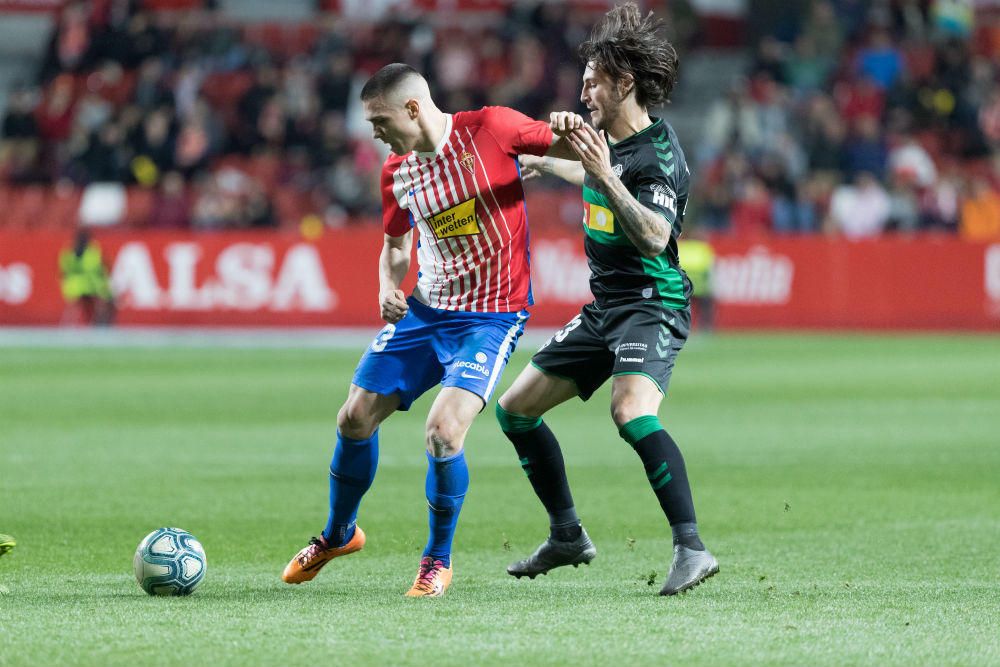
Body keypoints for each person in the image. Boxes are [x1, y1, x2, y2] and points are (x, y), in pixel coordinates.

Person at [281, 63, 583, 597]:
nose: (374, 132)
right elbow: (396, 247)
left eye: (379, 120)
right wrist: (386, 287)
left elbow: (571, 146)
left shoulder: (491, 127)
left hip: (490, 317)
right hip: (426, 311)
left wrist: (565, 127)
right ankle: (337, 535)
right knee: (353, 418)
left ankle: (436, 561)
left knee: (444, 433)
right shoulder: (396, 172)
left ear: (414, 109)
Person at [498, 3, 718, 596]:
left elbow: (653, 236)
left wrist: (603, 171)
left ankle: (691, 548)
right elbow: (595, 171)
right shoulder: (609, 144)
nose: (584, 90)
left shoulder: (657, 155)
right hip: (607, 307)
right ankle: (567, 534)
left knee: (631, 412)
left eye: (594, 80)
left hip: (653, 302)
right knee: (515, 410)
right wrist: (548, 162)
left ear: (625, 83)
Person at [59, 229, 115, 326]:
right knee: (103, 301)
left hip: (73, 286)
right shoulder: (93, 251)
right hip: (91, 284)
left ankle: (66, 325)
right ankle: (101, 324)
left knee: (73, 306)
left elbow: (64, 271)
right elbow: (100, 268)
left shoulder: (67, 252)